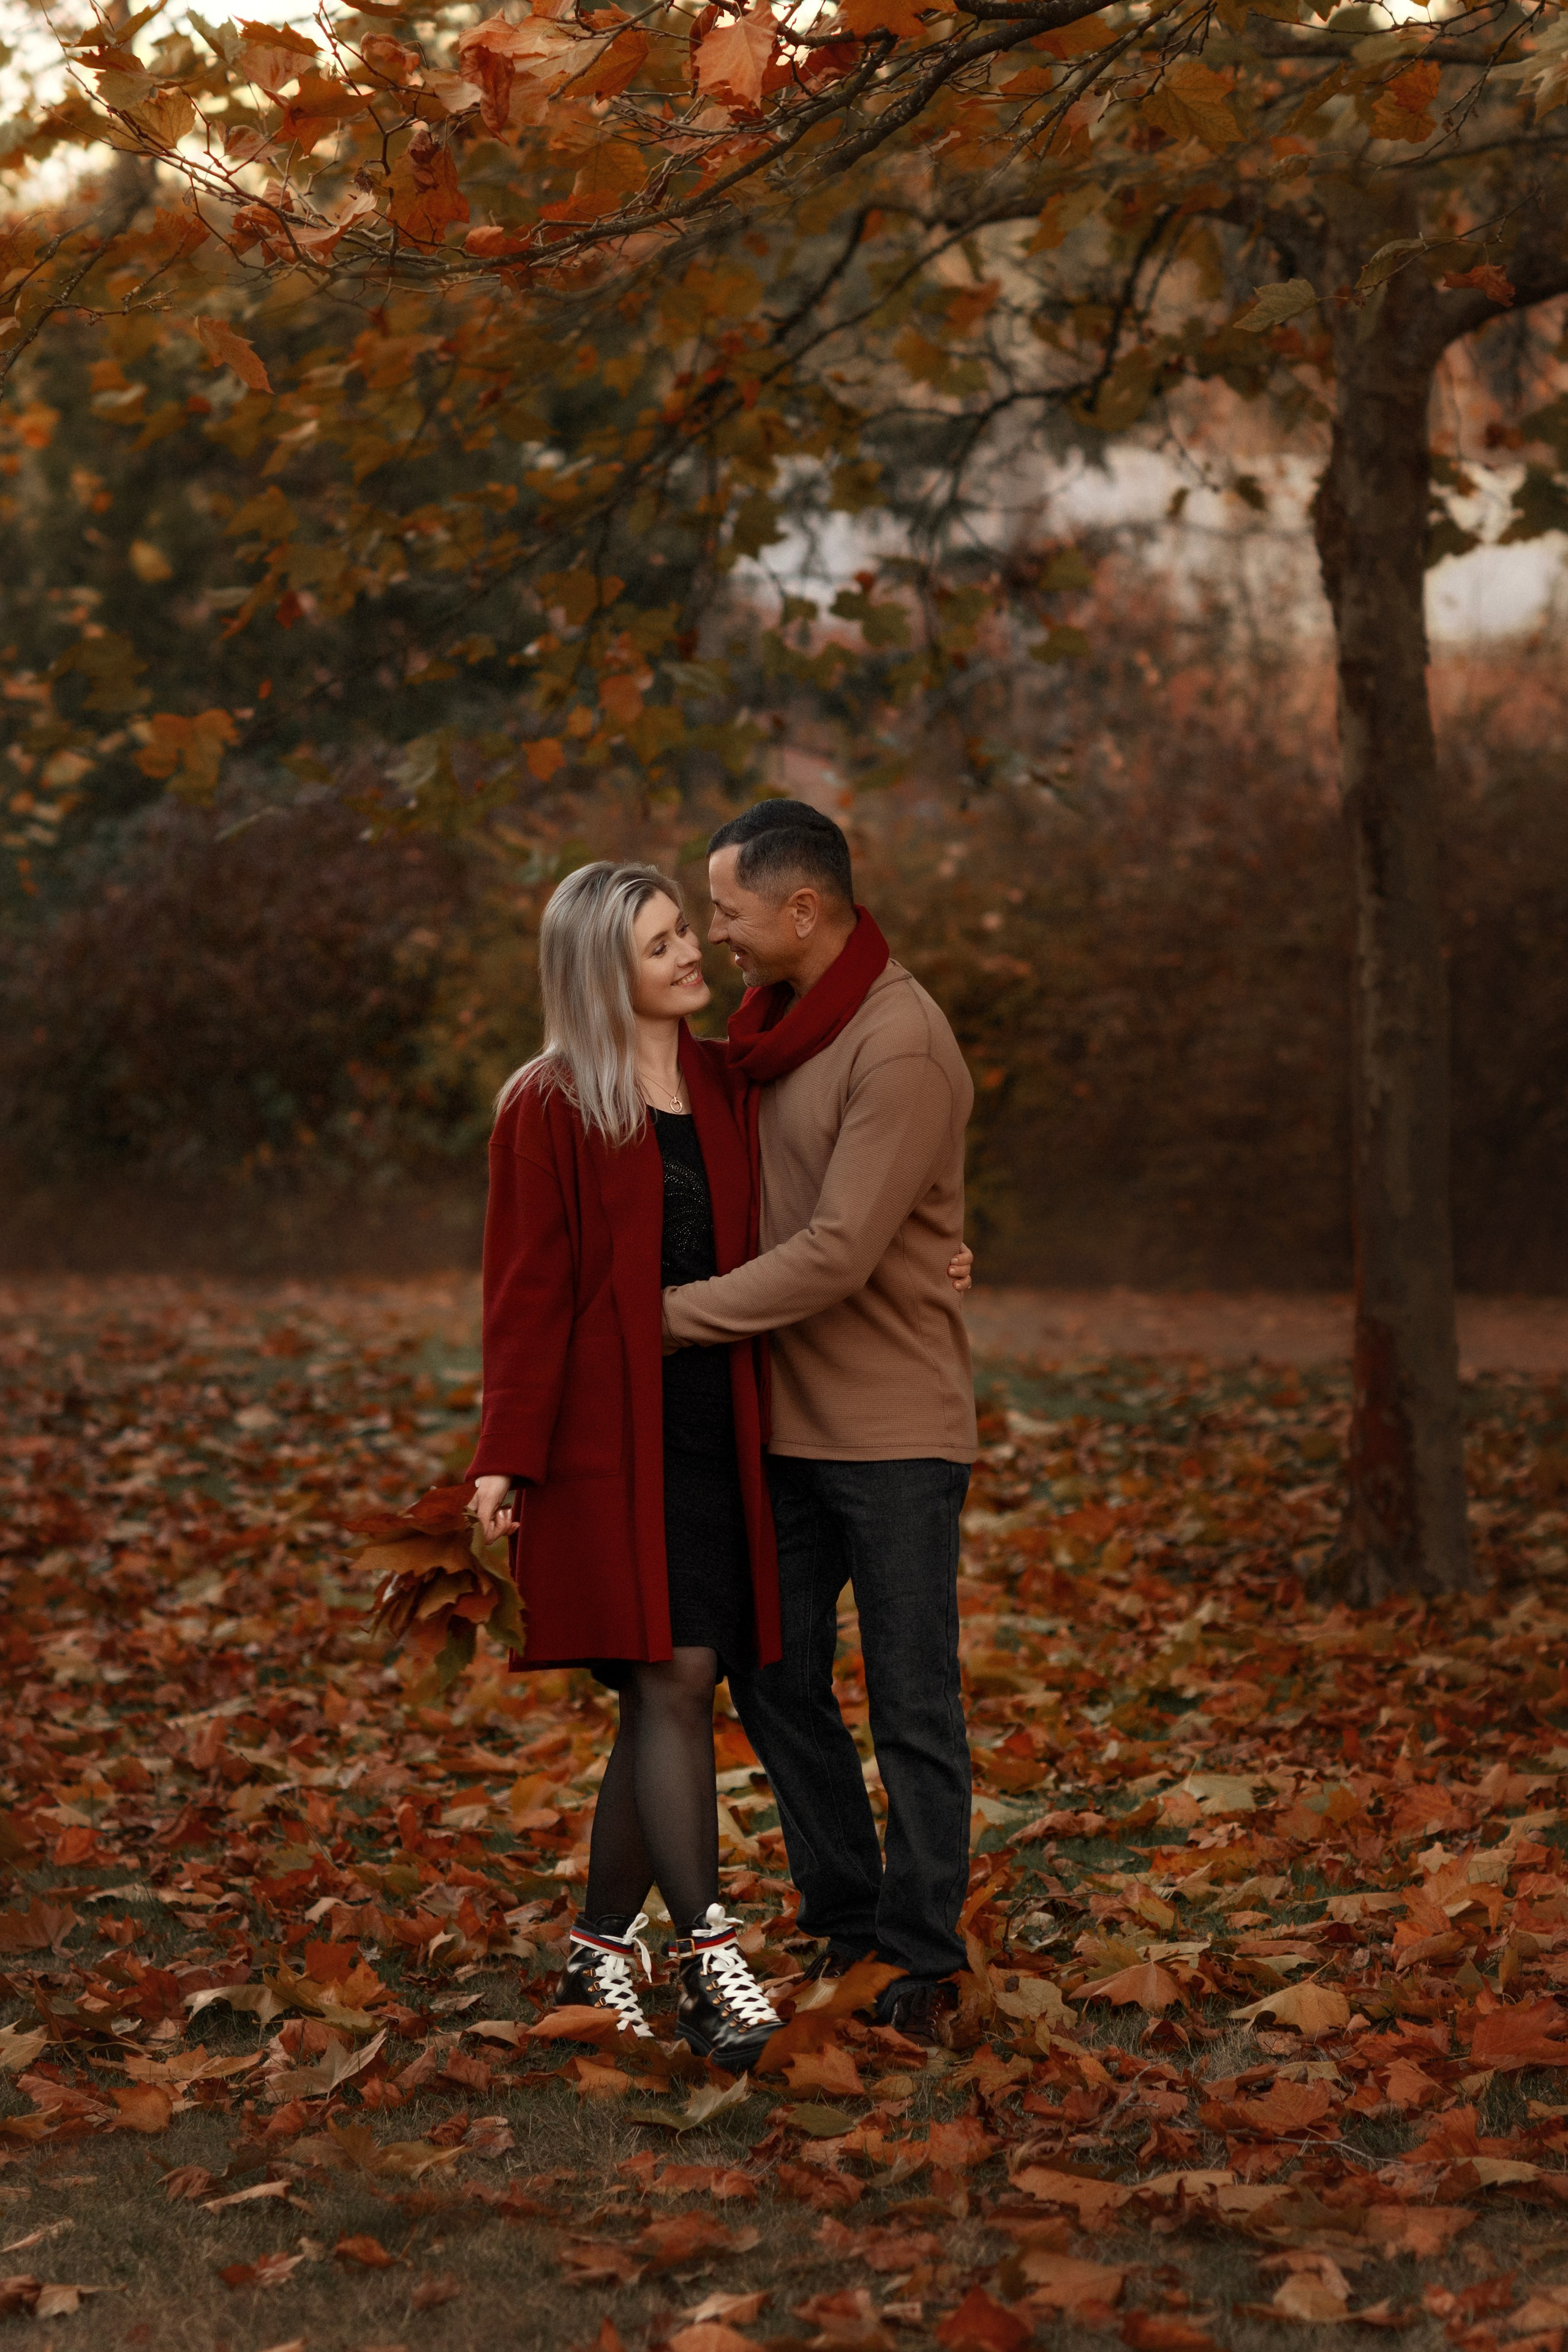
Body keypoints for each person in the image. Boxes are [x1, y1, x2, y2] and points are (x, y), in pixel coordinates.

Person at [468, 859, 974, 2060]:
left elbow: (833, 1190)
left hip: (727, 1436)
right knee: (672, 1683)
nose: (692, 954)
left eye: (686, 932)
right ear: (602, 976)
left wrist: (941, 1244)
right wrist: (504, 1455)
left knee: (673, 1689)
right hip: (612, 1443)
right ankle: (707, 1962)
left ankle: (601, 1953)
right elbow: (524, 1297)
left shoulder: (725, 1077)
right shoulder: (547, 1104)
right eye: (658, 946)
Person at [662, 800, 978, 2040]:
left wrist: (664, 1318)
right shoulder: (774, 1030)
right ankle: (847, 1921)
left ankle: (920, 1958)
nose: (714, 933)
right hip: (785, 1424)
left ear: (803, 909)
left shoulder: (896, 1042)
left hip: (895, 1431)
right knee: (772, 1670)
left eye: (728, 910)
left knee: (911, 1700)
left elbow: (841, 1248)